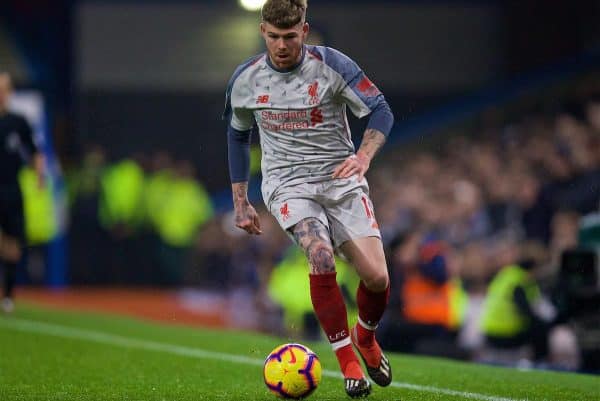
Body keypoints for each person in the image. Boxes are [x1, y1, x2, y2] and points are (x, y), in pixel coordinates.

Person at [223, 0, 394, 397]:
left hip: (340, 179)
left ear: (304, 30)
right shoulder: (246, 79)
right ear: (262, 32)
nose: (281, 45)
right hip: (287, 184)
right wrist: (240, 199)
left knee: (377, 278)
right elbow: (237, 134)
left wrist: (363, 156)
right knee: (319, 255)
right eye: (273, 36)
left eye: (289, 36)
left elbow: (380, 109)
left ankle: (365, 339)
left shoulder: (333, 66)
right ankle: (347, 362)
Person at [0, 71, 45, 312]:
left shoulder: (18, 122)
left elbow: (35, 150)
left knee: (13, 242)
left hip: (10, 188)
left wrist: (39, 174)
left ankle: (8, 295)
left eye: (4, 89)